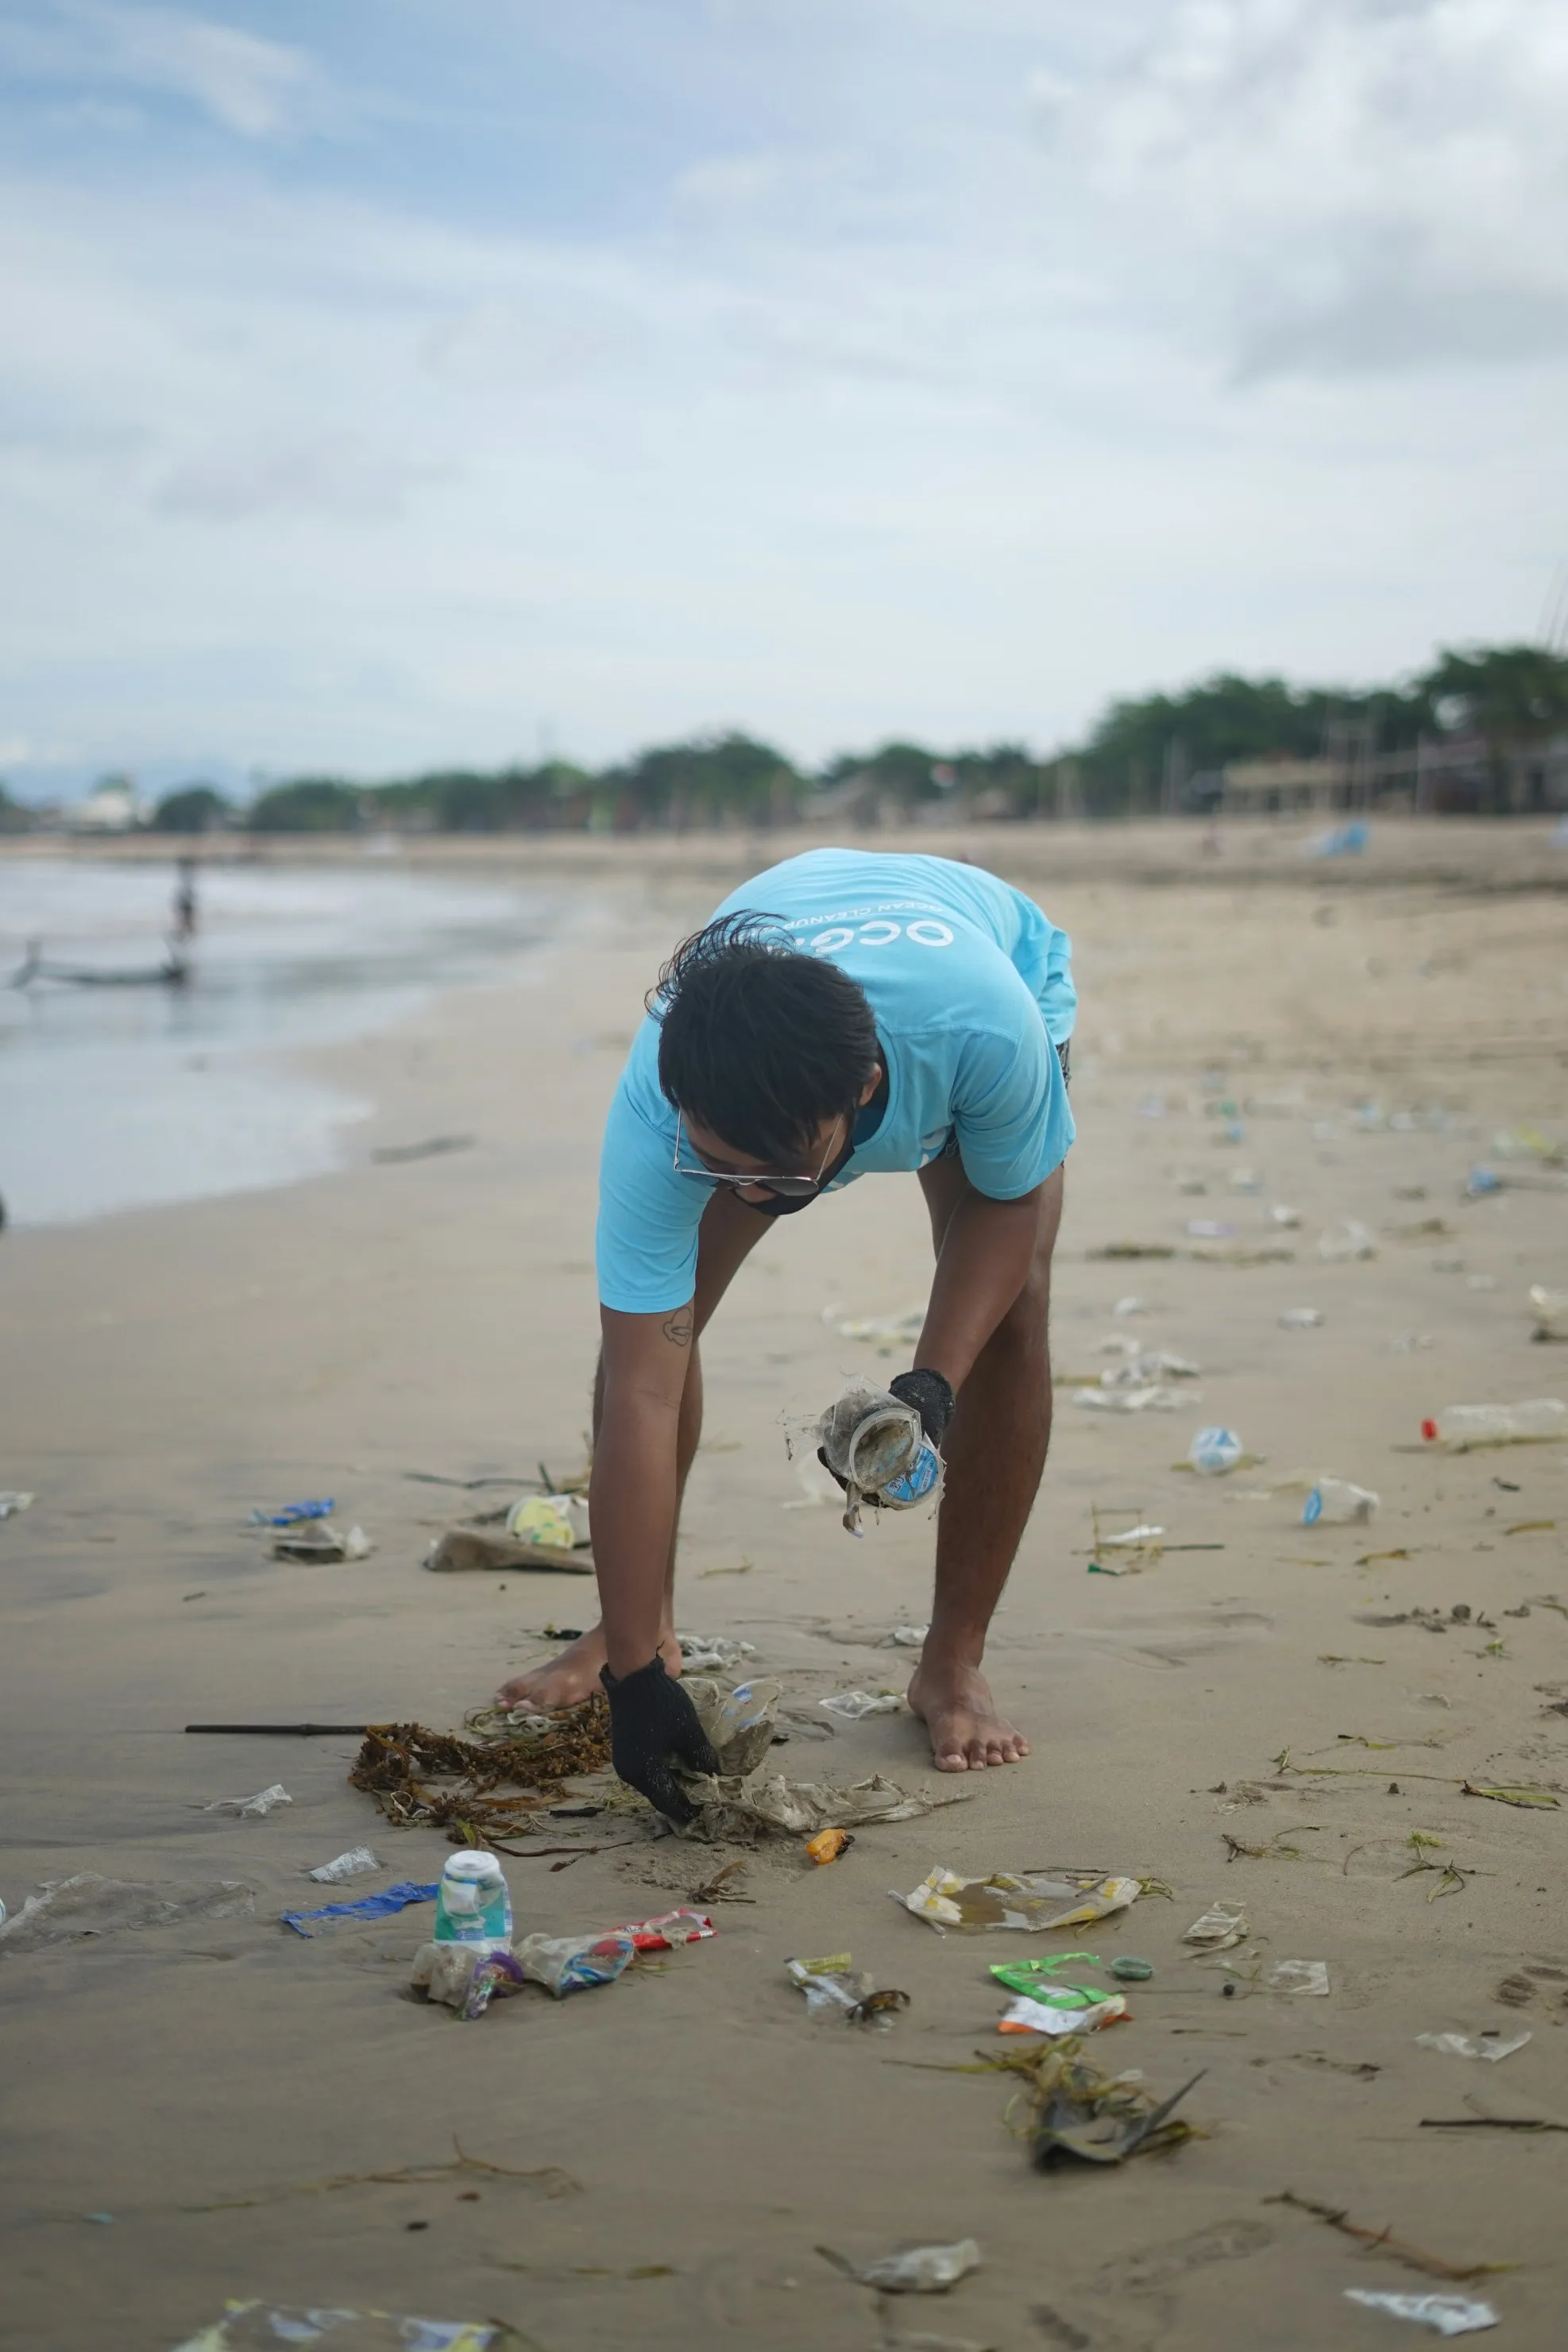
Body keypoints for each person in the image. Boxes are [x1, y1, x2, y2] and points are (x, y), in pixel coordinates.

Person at [494, 848, 1076, 1823]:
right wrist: (637, 1684)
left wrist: (930, 1387)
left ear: (865, 1094)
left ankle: (952, 1666)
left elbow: (1005, 1214)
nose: (753, 1200)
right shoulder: (659, 1110)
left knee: (1015, 1315)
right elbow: (644, 1388)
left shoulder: (982, 1029)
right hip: (778, 1040)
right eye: (723, 1170)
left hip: (985, 964)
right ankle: (634, 1629)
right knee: (655, 1340)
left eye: (780, 1179)